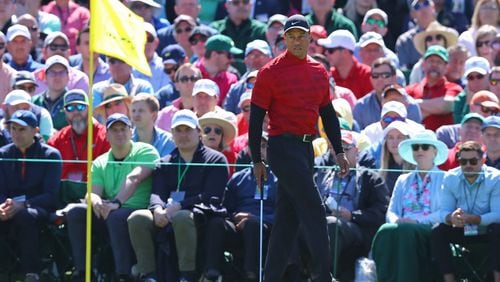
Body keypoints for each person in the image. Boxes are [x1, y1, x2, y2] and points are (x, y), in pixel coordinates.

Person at [248, 15, 349, 281]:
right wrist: (257, 160)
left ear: (309, 38)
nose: (296, 41)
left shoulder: (318, 71)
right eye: (290, 36)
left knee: (287, 221)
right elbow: (256, 118)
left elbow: (328, 115)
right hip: (282, 148)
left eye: (300, 36)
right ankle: (323, 275)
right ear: (284, 40)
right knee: (314, 210)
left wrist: (338, 151)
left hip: (306, 150)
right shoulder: (270, 72)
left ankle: (270, 277)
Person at [127, 109, 229, 282]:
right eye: (178, 131)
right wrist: (157, 209)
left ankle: (187, 275)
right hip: (167, 213)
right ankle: (148, 274)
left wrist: (180, 206)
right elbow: (157, 193)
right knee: (137, 217)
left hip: (201, 215)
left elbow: (211, 197)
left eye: (187, 130)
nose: (183, 135)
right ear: (172, 134)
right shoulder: (164, 162)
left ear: (198, 132)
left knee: (182, 216)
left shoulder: (216, 159)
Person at [65, 113, 160, 281]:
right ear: (107, 135)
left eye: (123, 129)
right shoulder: (100, 162)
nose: (119, 134)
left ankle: (122, 275)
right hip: (110, 210)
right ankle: (82, 271)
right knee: (76, 211)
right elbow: (92, 193)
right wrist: (97, 203)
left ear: (131, 132)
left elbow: (134, 177)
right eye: (114, 130)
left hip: (136, 210)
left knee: (116, 216)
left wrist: (116, 203)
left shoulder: (146, 150)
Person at [372, 129, 448, 282]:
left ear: (434, 152)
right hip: (403, 226)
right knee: (385, 229)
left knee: (405, 231)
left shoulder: (446, 178)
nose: (420, 150)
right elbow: (391, 211)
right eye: (416, 147)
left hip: (430, 228)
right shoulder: (403, 179)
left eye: (425, 147)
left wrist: (417, 221)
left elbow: (444, 213)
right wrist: (396, 221)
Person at [315, 130, 389, 280]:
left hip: (356, 229)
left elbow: (381, 212)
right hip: (324, 223)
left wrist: (352, 216)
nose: (339, 154)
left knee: (331, 224)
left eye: (344, 149)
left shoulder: (371, 178)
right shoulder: (322, 175)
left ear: (356, 151)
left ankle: (325, 276)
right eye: (335, 149)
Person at [203, 132, 277, 281]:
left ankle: (251, 273)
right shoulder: (238, 178)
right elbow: (225, 208)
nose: (259, 150)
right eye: (255, 146)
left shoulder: (279, 179)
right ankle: (212, 271)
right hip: (238, 225)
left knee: (253, 224)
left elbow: (284, 213)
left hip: (266, 227)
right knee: (216, 223)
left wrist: (257, 218)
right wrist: (234, 216)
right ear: (249, 150)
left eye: (263, 146)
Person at [0, 110, 62, 282]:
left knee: (26, 216)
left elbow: (51, 195)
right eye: (13, 129)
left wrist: (24, 204)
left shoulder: (50, 155)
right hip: (9, 207)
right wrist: (2, 206)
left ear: (35, 131)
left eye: (22, 129)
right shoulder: (3, 154)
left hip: (39, 209)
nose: (16, 134)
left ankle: (31, 272)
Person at [431, 141, 500, 282]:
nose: (468, 165)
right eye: (463, 161)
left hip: (487, 229)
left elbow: (498, 215)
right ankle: (449, 279)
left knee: (499, 229)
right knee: (438, 231)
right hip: (462, 228)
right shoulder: (450, 177)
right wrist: (451, 218)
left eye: (473, 161)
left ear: (483, 160)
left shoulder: (496, 178)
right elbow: (443, 211)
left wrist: (474, 219)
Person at [47, 89, 110, 182]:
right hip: (64, 193)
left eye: (80, 107)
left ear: (89, 109)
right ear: (64, 112)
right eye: (70, 108)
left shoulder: (106, 137)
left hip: (96, 191)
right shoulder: (56, 141)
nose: (76, 112)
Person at [406, 45, 462, 131]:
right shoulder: (411, 90)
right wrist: (433, 108)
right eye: (431, 61)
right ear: (424, 64)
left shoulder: (453, 88)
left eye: (439, 62)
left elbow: (447, 105)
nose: (434, 65)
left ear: (446, 67)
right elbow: (402, 109)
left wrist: (413, 104)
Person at [318, 29, 372, 99]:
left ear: (345, 52)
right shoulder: (328, 75)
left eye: (330, 50)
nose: (326, 53)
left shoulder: (368, 75)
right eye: (326, 49)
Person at [156, 63, 201, 131]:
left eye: (193, 78)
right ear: (176, 85)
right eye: (184, 79)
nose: (189, 82)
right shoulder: (164, 115)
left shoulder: (209, 112)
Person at [32, 55, 71, 130]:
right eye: (52, 72)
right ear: (45, 77)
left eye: (61, 72)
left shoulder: (73, 102)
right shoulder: (34, 102)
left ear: (68, 76)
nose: (57, 77)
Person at [130, 93, 176, 157]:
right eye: (133, 111)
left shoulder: (167, 141)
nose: (136, 115)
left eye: (141, 111)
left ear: (154, 115)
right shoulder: (126, 140)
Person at [199, 110, 238, 175]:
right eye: (207, 130)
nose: (212, 133)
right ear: (199, 134)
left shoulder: (233, 158)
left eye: (217, 131)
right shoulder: (192, 156)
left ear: (222, 136)